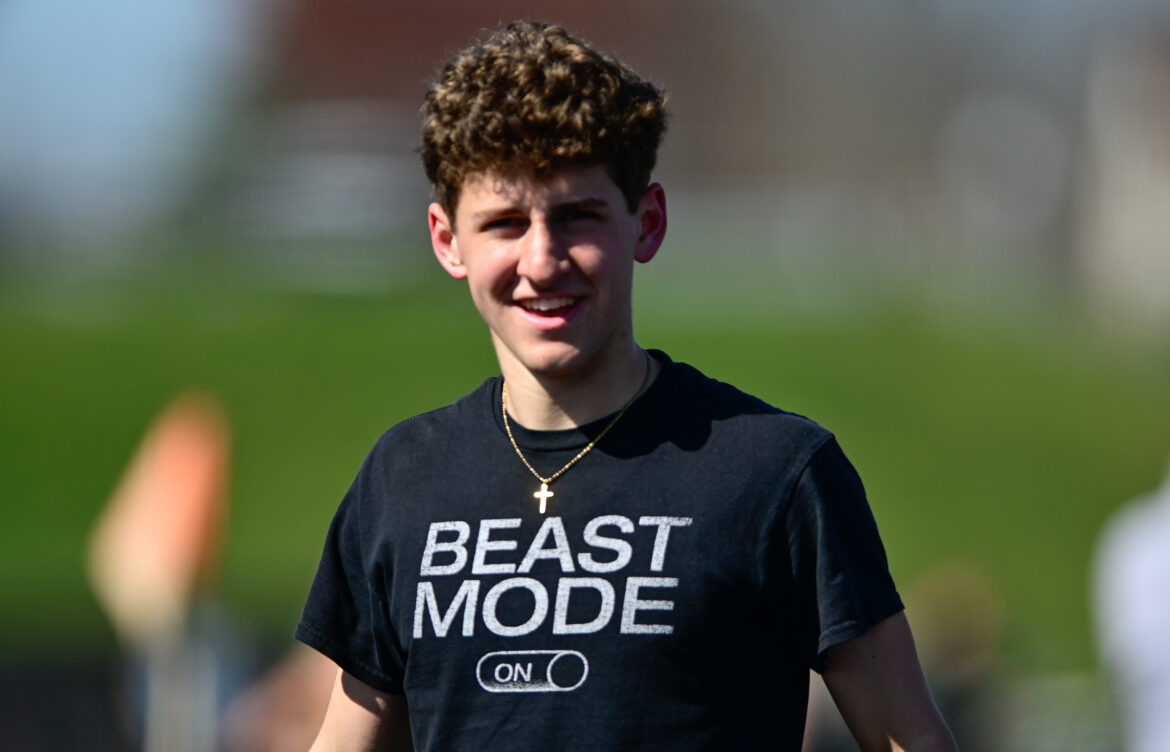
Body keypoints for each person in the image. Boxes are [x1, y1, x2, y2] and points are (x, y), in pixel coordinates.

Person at [296, 21, 957, 751]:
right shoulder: (402, 479)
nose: (541, 261)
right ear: (448, 241)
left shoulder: (777, 473)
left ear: (647, 223)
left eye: (577, 218)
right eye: (505, 224)